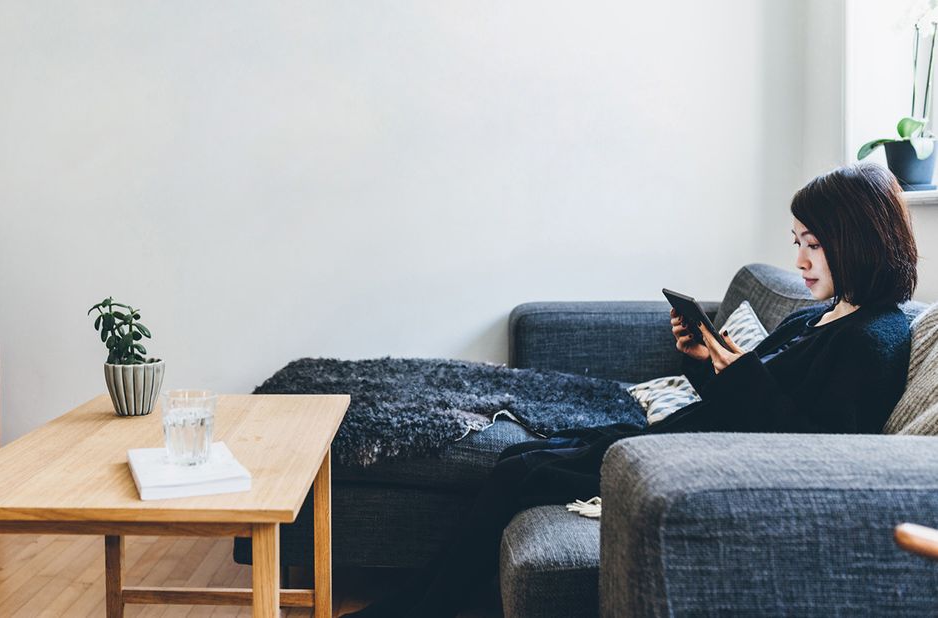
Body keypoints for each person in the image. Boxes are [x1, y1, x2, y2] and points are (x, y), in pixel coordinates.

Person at [343, 162, 918, 618]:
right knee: (519, 455)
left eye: (813, 245)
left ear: (856, 241)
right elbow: (745, 393)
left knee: (525, 471)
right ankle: (426, 597)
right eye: (797, 241)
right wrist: (700, 360)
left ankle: (427, 604)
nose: (798, 260)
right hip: (683, 438)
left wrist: (739, 375)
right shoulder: (817, 316)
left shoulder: (875, 337)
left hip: (693, 465)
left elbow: (814, 445)